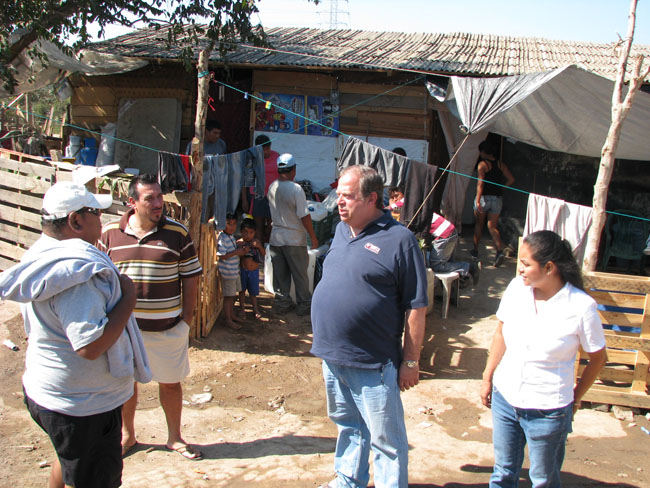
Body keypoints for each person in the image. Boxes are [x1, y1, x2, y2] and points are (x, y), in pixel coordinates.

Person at [0, 181, 149, 488]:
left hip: (48, 390)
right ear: (75, 220)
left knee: (68, 459)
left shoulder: (43, 253)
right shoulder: (76, 275)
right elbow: (90, 346)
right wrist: (128, 298)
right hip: (82, 405)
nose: (102, 219)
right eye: (95, 212)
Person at [311, 165, 429, 488]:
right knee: (349, 426)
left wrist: (410, 361)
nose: (339, 202)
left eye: (348, 196)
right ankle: (349, 479)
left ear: (372, 199)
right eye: (339, 195)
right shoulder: (340, 231)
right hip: (333, 356)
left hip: (373, 362)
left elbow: (416, 307)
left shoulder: (400, 240)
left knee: (386, 440)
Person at [480, 230, 607, 488]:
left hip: (549, 410)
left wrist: (576, 396)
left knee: (543, 480)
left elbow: (598, 358)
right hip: (505, 399)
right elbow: (500, 334)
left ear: (549, 267)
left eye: (526, 264)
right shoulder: (517, 289)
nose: (521, 270)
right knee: (503, 473)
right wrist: (487, 377)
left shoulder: (581, 306)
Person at [99, 174, 203, 461]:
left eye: (160, 197)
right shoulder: (109, 233)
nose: (159, 204)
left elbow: (191, 278)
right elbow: (98, 279)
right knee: (125, 384)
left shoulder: (177, 233)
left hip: (167, 329)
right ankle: (127, 436)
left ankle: (174, 437)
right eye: (150, 199)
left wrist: (186, 321)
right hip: (123, 330)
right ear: (132, 202)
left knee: (170, 383)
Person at [267, 153, 319, 316]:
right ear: (293, 170)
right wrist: (313, 237)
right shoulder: (296, 189)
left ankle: (282, 303)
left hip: (276, 237)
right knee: (300, 275)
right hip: (294, 239)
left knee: (280, 275)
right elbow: (304, 216)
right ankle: (304, 305)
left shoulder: (272, 186)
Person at [472, 139, 515, 266]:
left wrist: (478, 200)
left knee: (479, 224)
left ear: (484, 152)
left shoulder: (482, 165)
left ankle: (475, 251)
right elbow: (511, 179)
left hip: (484, 198)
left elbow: (480, 183)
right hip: (497, 199)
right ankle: (499, 251)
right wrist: (502, 187)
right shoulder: (501, 164)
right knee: (492, 227)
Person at [241, 134, 280, 242]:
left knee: (272, 225)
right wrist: (244, 200)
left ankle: (270, 250)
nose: (266, 152)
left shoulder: (276, 157)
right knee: (259, 225)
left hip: (273, 197)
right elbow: (245, 181)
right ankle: (259, 251)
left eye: (268, 149)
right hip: (257, 196)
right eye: (263, 150)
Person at [428, 211, 480, 287]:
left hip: (445, 235)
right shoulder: (408, 204)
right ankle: (460, 281)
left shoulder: (405, 208)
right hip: (449, 232)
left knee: (437, 266)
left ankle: (469, 268)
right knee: (446, 263)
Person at [216, 213, 246, 330]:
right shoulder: (223, 238)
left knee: (232, 296)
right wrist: (237, 252)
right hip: (228, 273)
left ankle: (231, 315)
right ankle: (228, 319)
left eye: (234, 224)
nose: (232, 227)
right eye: (229, 224)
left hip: (234, 271)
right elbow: (222, 256)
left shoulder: (231, 236)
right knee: (228, 297)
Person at [238, 217, 265, 320]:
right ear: (241, 232)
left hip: (254, 271)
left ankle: (255, 309)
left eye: (250, 232)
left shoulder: (256, 242)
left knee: (253, 292)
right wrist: (242, 251)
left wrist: (259, 247)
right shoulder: (239, 243)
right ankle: (242, 309)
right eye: (245, 232)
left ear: (254, 233)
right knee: (242, 291)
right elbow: (237, 258)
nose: (248, 235)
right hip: (243, 271)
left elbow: (263, 254)